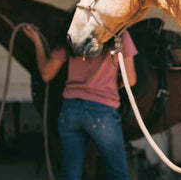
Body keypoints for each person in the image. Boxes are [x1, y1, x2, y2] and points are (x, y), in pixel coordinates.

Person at [23, 20, 136, 180]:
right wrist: (108, 84)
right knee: (118, 174)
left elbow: (46, 74)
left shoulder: (73, 33)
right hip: (102, 112)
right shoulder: (120, 35)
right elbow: (130, 80)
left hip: (70, 109)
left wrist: (36, 40)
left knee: (69, 174)